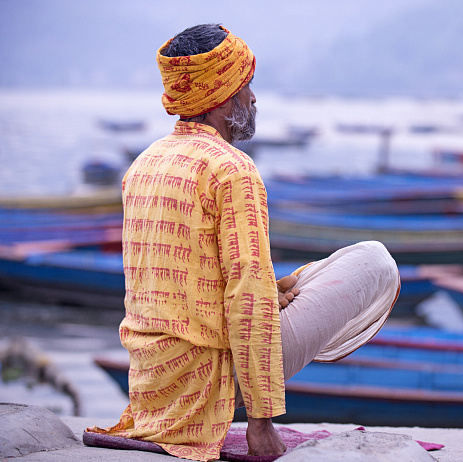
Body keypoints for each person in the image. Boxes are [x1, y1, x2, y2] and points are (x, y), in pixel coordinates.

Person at [86, 24, 399, 461]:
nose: (253, 98)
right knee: (375, 261)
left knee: (280, 281)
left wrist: (268, 289)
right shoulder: (234, 171)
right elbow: (245, 297)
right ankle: (283, 317)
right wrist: (261, 422)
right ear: (221, 98)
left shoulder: (143, 164)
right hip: (209, 381)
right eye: (245, 86)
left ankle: (282, 291)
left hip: (152, 384)